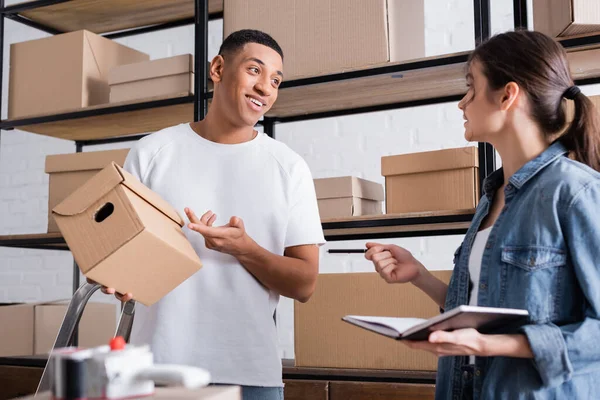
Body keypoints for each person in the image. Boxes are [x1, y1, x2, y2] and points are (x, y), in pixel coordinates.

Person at [365, 30, 600, 399]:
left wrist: (493, 346)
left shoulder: (575, 192)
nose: (462, 103)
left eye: (471, 88)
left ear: (508, 95)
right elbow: (483, 311)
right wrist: (419, 276)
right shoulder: (493, 198)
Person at [95, 29, 324, 400]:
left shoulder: (288, 167)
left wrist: (244, 249)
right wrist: (117, 278)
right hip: (158, 368)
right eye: (255, 70)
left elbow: (305, 284)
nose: (266, 87)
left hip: (250, 372)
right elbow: (121, 258)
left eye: (276, 80)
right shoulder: (152, 153)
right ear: (218, 68)